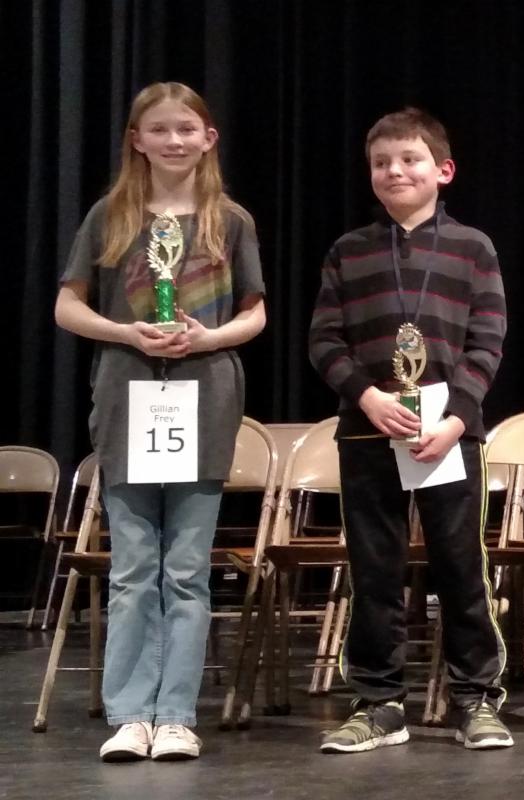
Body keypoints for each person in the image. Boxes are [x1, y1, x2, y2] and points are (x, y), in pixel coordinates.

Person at [54, 82, 266, 761]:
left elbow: (254, 312)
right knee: (132, 568)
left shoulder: (230, 220)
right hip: (127, 397)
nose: (174, 140)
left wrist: (208, 338)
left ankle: (175, 714)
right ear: (137, 140)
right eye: (159, 129)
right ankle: (130, 715)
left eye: (186, 129)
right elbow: (67, 307)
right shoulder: (109, 215)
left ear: (208, 139)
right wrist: (125, 331)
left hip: (205, 399)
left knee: (187, 568)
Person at [309, 108, 512, 753]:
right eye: (381, 163)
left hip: (450, 437)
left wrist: (457, 418)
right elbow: (324, 340)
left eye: (410, 159)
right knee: (375, 571)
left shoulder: (473, 248)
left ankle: (476, 699)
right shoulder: (348, 250)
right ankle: (379, 703)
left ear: (443, 170)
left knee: (461, 568)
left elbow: (487, 341)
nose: (394, 171)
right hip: (369, 433)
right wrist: (366, 396)